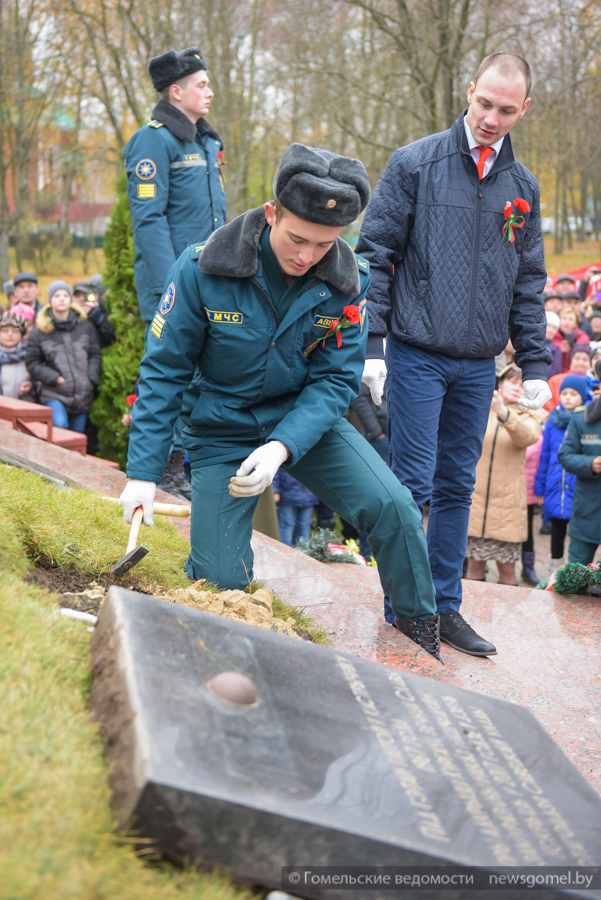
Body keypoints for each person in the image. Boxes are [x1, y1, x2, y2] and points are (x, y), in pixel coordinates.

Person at [119, 144, 442, 659]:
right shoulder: (203, 269)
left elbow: (337, 381)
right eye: (296, 238)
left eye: (323, 244)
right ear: (272, 214)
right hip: (221, 430)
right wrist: (143, 474)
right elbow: (165, 372)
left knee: (395, 508)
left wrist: (282, 447)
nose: (306, 256)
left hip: (303, 424)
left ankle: (417, 627)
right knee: (221, 583)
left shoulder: (349, 281)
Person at [356, 51, 551, 657]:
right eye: (485, 103)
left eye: (506, 109)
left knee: (457, 486)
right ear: (469, 91)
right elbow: (376, 252)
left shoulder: (522, 188)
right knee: (411, 483)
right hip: (416, 352)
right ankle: (402, 608)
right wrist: (373, 342)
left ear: (524, 109)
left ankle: (444, 608)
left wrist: (537, 361)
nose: (492, 118)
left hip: (478, 363)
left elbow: (529, 278)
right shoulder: (415, 163)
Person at [124, 46, 227, 501]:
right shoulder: (154, 140)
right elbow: (148, 219)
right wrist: (173, 283)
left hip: (212, 278)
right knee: (170, 375)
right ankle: (161, 470)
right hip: (173, 283)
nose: (209, 92)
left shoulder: (206, 142)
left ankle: (179, 466)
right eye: (201, 84)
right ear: (176, 90)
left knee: (201, 378)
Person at [465, 365, 545, 591]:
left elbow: (527, 436)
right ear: (500, 384)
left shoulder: (529, 414)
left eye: (522, 383)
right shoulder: (480, 409)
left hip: (508, 505)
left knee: (508, 569)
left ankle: (507, 622)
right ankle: (470, 616)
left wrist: (505, 413)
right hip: (477, 502)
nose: (516, 386)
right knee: (474, 566)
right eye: (512, 381)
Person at [25, 281, 101, 433]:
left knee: (76, 438)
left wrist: (90, 379)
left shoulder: (85, 325)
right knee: (59, 427)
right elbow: (32, 363)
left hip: (82, 393)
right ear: (49, 300)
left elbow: (95, 354)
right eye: (56, 295)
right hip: (54, 392)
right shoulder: (39, 330)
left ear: (70, 299)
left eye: (65, 295)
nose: (61, 299)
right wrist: (55, 378)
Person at [534, 375, 587, 572]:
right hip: (555, 487)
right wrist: (539, 489)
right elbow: (545, 455)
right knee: (556, 531)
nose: (568, 398)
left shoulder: (586, 420)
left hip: (577, 488)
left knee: (577, 534)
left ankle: (576, 572)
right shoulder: (552, 420)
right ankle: (555, 571)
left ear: (582, 397)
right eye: (564, 393)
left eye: (573, 394)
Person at [558, 361, 601, 566]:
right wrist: (590, 463)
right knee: (575, 580)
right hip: (587, 513)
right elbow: (565, 455)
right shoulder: (582, 419)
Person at [272, 471, 318, 546]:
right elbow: (275, 471)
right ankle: (285, 551)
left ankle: (303, 553)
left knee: (304, 525)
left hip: (309, 496)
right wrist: (275, 490)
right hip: (287, 495)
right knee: (286, 525)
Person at [0, 311, 33, 399]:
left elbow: (41, 382)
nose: (10, 334)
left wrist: (31, 385)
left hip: (24, 408)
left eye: (15, 330)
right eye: (5, 331)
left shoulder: (31, 354)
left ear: (22, 334)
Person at [72, 281, 116, 348]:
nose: (82, 298)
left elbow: (112, 341)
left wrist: (99, 321)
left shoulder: (105, 314)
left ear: (96, 297)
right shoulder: (68, 316)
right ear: (72, 298)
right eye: (77, 295)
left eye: (85, 295)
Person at [553, 306, 589, 373]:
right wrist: (558, 349)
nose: (567, 321)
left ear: (576, 324)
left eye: (571, 319)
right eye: (564, 318)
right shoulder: (552, 337)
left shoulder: (583, 338)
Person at [545, 311, 562, 377]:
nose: (551, 330)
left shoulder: (557, 351)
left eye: (554, 328)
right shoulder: (531, 345)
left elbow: (557, 374)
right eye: (548, 326)